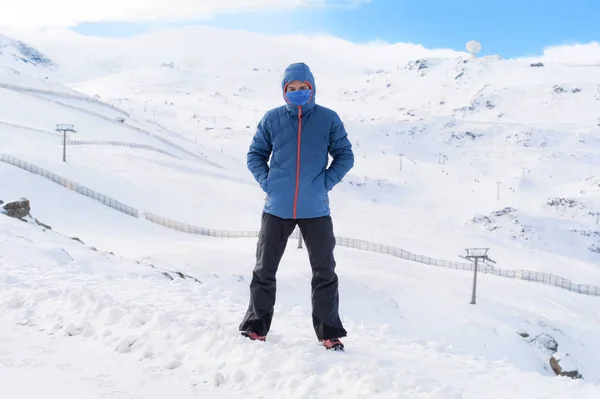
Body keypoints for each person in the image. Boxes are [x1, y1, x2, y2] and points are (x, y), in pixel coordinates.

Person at [239, 62, 354, 351]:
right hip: (276, 207)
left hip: (316, 209)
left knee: (324, 272)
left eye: (303, 88)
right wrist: (270, 184)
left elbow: (345, 156)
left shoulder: (328, 119)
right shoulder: (273, 119)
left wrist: (324, 184)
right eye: (292, 89)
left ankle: (329, 333)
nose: (298, 93)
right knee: (264, 269)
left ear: (312, 88)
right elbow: (255, 155)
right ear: (284, 92)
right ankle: (256, 328)